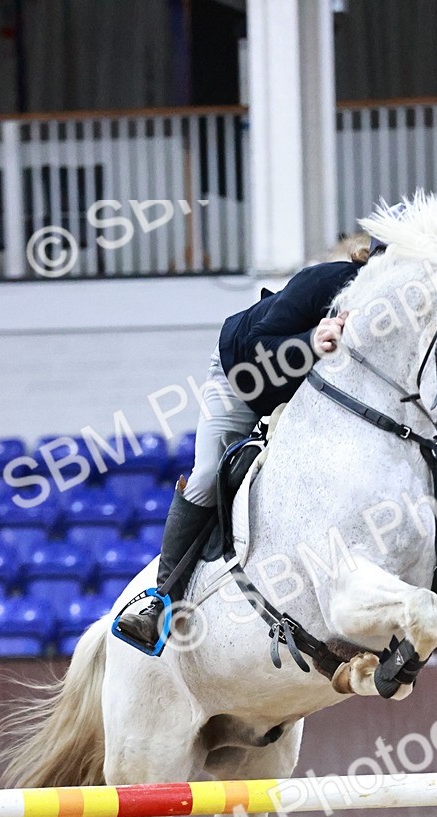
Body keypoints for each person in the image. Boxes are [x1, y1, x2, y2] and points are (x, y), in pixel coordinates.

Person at [116, 247, 369, 652]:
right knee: (206, 474)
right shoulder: (326, 281)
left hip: (306, 400)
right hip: (244, 381)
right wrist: (311, 341)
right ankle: (161, 603)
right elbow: (257, 341)